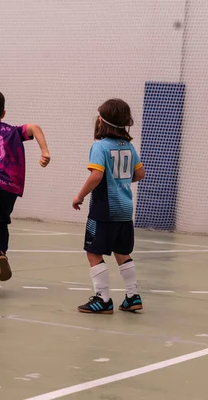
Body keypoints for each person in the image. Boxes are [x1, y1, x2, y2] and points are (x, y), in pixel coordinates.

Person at [0, 88, 51, 296]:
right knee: (1, 220)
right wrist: (44, 151)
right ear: (3, 113)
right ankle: (1, 252)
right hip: (10, 186)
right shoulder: (13, 131)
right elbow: (34, 127)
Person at [72, 98, 145, 314]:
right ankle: (132, 296)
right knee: (122, 252)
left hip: (104, 210)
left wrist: (79, 196)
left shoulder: (100, 146)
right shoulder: (128, 146)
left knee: (93, 253)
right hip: (125, 210)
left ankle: (102, 299)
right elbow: (140, 173)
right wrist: (120, 179)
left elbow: (96, 175)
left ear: (102, 121)